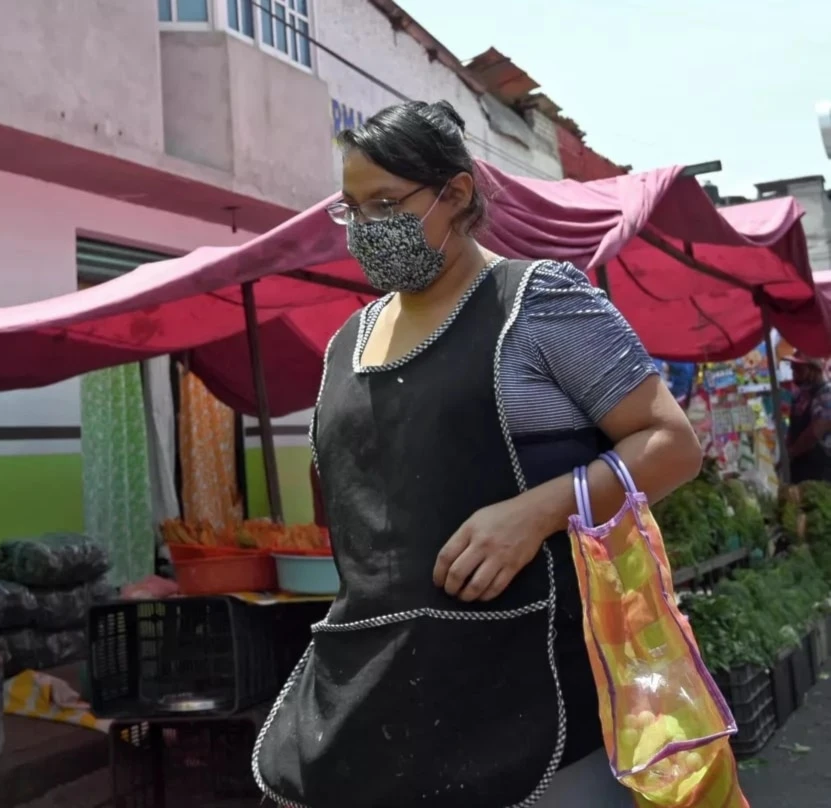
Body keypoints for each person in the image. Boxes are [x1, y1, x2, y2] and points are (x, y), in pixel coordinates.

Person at [252, 100, 704, 807]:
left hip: (531, 698)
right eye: (351, 210)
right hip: (378, 695)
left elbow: (671, 446)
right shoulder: (345, 344)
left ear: (456, 194)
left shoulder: (539, 304)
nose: (366, 227)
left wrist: (536, 512)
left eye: (385, 204)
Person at [787, 352, 831, 484]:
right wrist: (787, 449)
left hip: (819, 469)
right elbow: (793, 425)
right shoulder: (801, 394)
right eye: (792, 367)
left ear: (813, 370)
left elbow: (815, 431)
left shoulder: (826, 394)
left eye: (798, 368)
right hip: (799, 464)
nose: (793, 371)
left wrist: (791, 452)